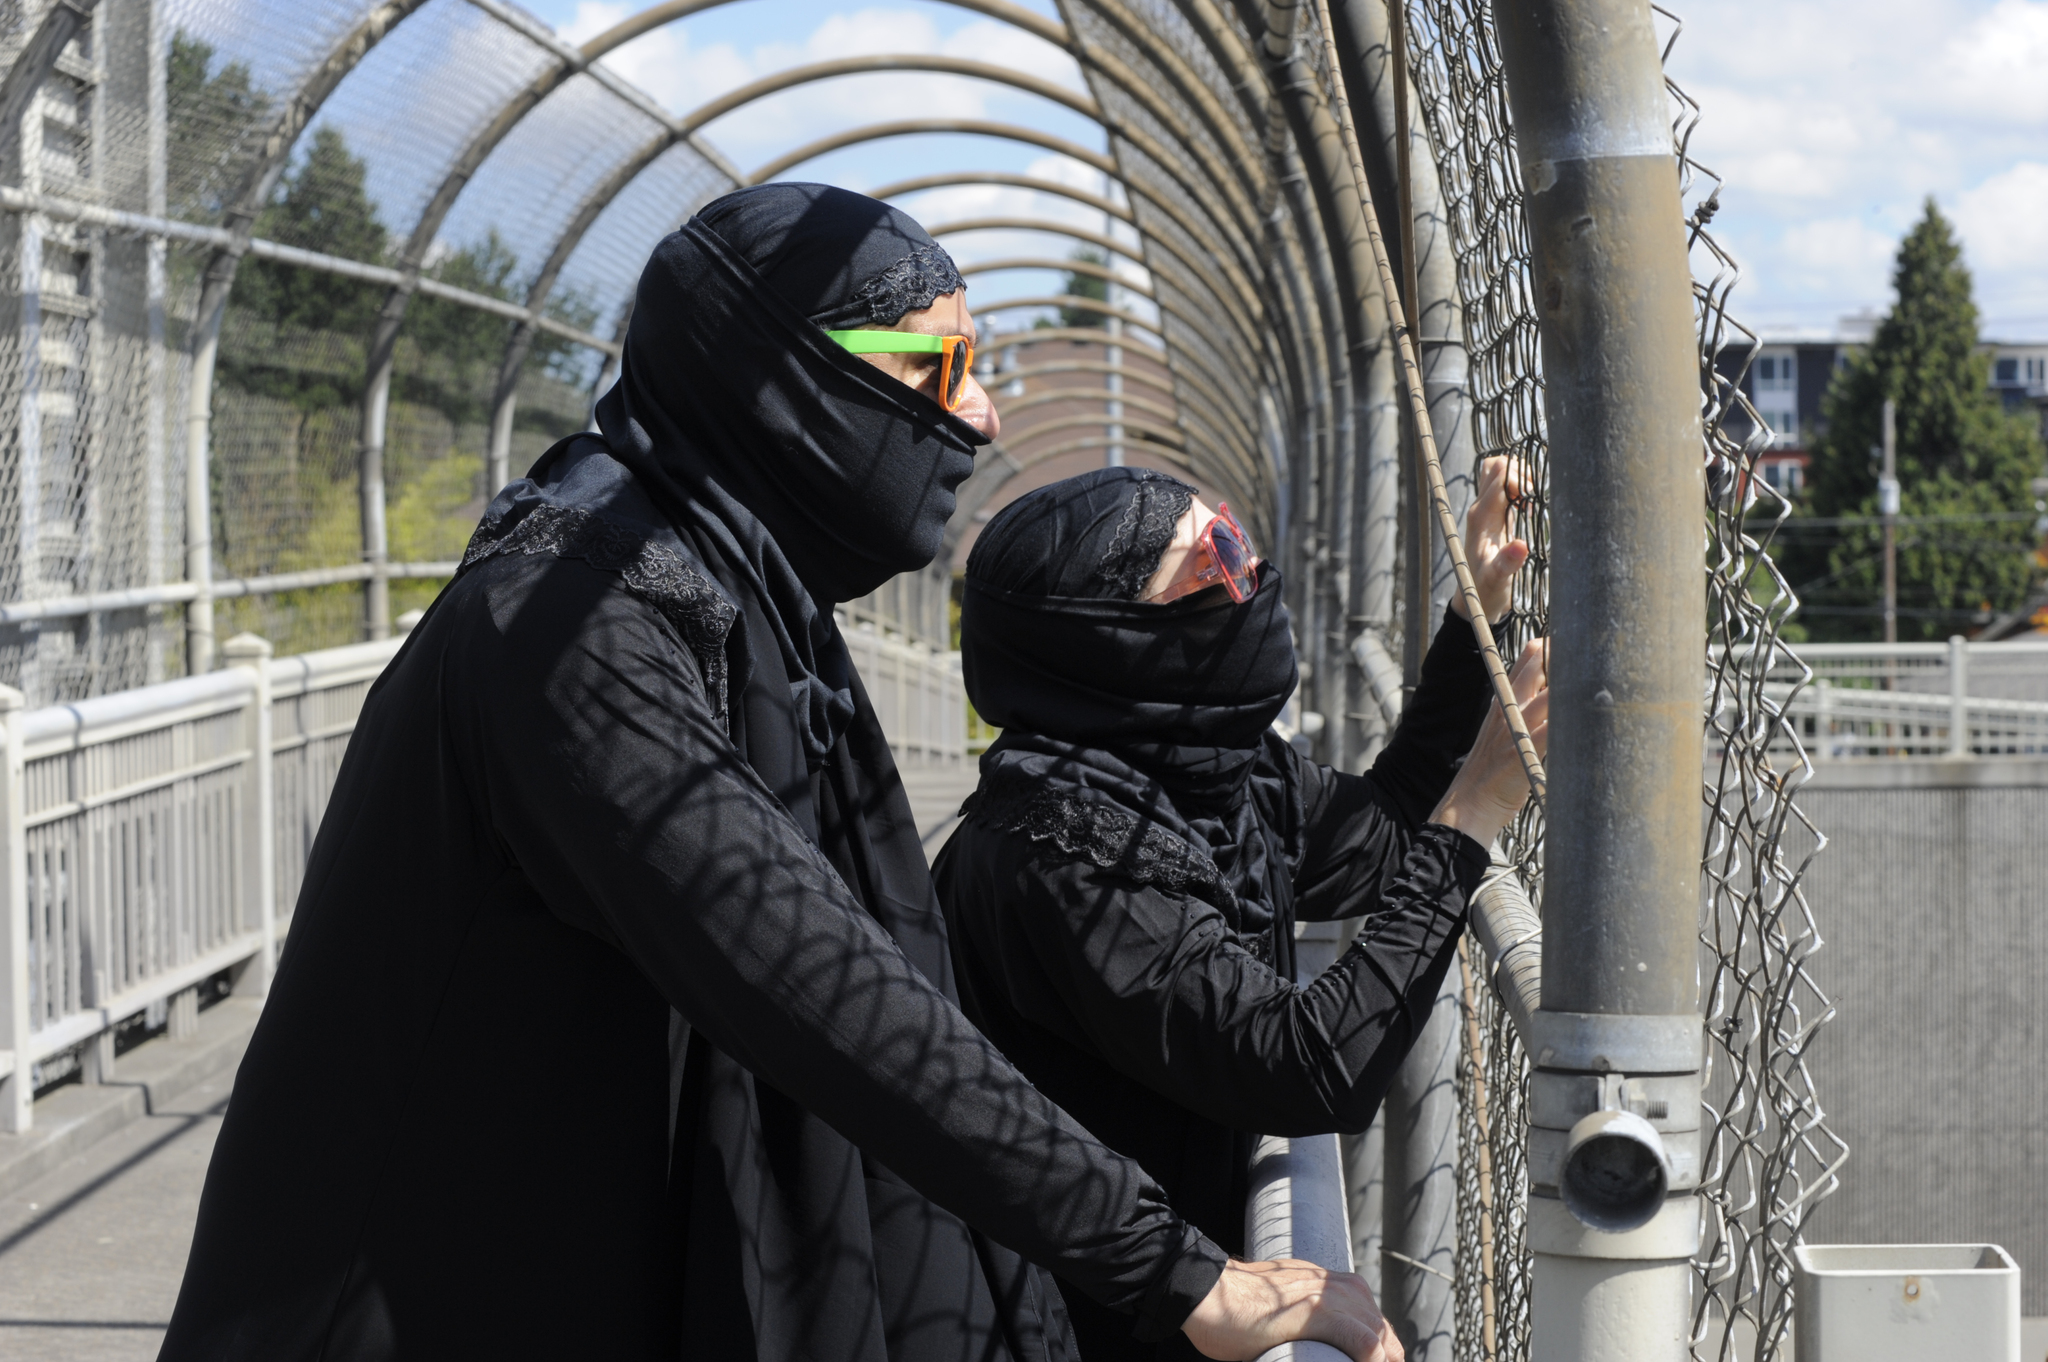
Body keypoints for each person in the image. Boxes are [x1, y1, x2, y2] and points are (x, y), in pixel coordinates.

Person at [157, 185, 1396, 1362]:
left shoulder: (729, 604)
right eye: (936, 368)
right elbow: (817, 981)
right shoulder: (572, 622)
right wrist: (1178, 1269)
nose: (981, 419)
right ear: (775, 371)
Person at [933, 463, 1549, 1361]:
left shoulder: (1204, 763)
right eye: (1214, 557)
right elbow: (1306, 1066)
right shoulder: (1059, 847)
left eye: (1232, 531)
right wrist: (1470, 820)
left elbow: (1371, 840)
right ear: (1113, 636)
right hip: (1054, 1329)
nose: (1250, 573)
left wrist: (1471, 629)